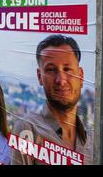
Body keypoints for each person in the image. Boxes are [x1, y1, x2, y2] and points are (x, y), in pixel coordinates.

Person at [11, 35, 93, 165]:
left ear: (81, 76)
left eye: (67, 69)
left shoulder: (92, 140)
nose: (61, 80)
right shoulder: (28, 130)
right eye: (51, 70)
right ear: (40, 77)